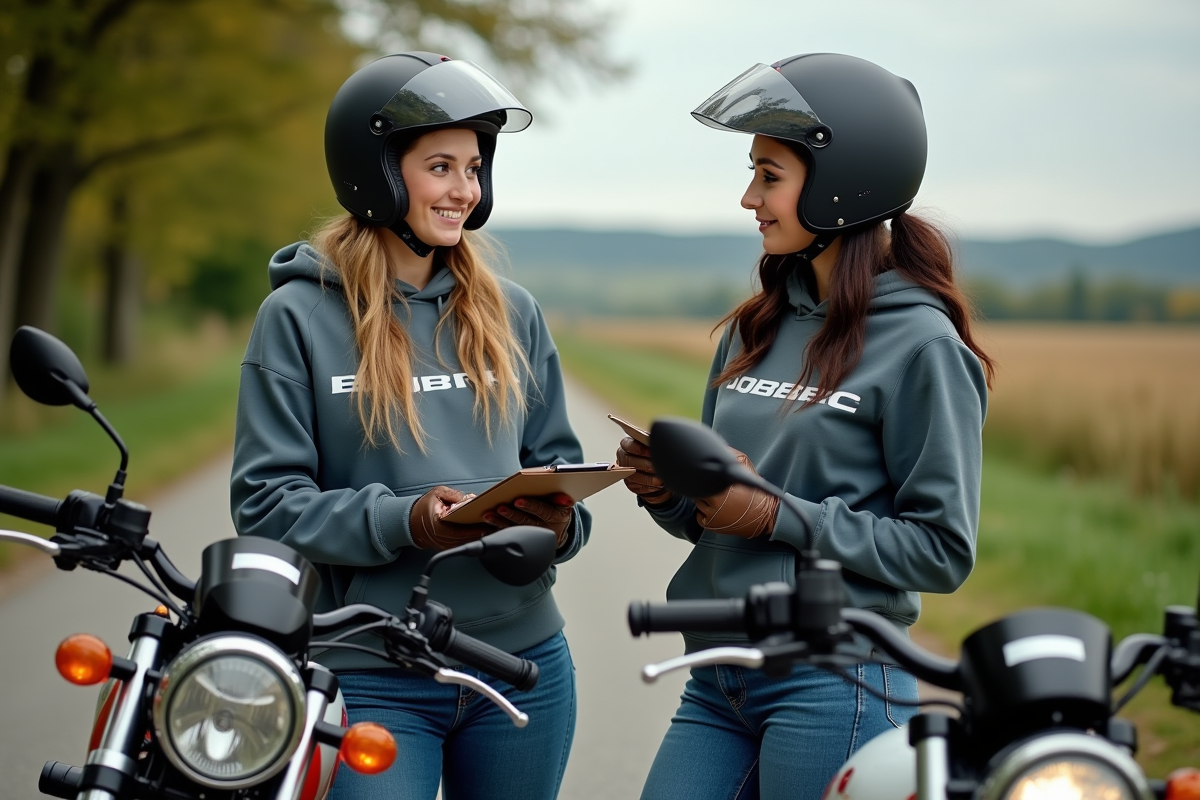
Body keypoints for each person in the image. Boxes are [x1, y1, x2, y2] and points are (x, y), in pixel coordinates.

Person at [617, 54, 995, 799]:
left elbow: (942, 551)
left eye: (769, 176)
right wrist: (672, 495)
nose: (748, 198)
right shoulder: (756, 327)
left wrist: (774, 513)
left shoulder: (922, 347)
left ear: (842, 187)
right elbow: (720, 526)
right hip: (720, 673)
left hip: (838, 682)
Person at [230, 52, 588, 800]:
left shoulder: (511, 311)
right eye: (441, 166)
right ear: (379, 171)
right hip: (372, 673)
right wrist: (410, 522)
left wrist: (558, 525)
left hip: (524, 667)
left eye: (474, 167)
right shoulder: (297, 317)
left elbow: (557, 465)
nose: (465, 189)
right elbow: (266, 503)